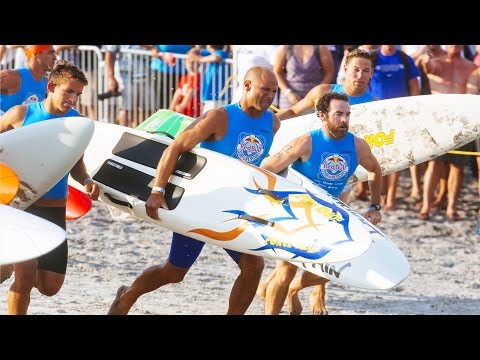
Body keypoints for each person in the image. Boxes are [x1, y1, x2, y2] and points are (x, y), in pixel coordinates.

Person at [107, 65, 280, 315]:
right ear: (247, 86)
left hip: (235, 208)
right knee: (175, 272)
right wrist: (157, 191)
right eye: (265, 89)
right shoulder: (220, 117)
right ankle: (128, 295)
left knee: (254, 266)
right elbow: (175, 148)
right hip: (201, 204)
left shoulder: (272, 123)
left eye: (274, 91)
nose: (270, 96)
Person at [258, 49, 379, 315]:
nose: (360, 76)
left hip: (342, 179)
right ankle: (283, 285)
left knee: (330, 248)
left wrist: (375, 199)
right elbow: (293, 112)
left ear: (372, 73)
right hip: (309, 171)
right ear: (345, 68)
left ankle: (313, 290)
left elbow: (375, 150)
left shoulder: (375, 104)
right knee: (293, 256)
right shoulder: (323, 92)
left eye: (366, 70)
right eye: (355, 69)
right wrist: (266, 124)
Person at [0, 60, 100, 314]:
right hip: (21, 207)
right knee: (25, 276)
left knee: (50, 286)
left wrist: (87, 180)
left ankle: (7, 263)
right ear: (51, 86)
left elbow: (76, 164)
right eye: (69, 91)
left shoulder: (77, 123)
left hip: (55, 210)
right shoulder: (21, 115)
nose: (73, 99)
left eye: (78, 94)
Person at [0, 45, 56, 116]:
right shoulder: (13, 77)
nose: (55, 57)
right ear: (36, 54)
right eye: (50, 53)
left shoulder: (46, 83)